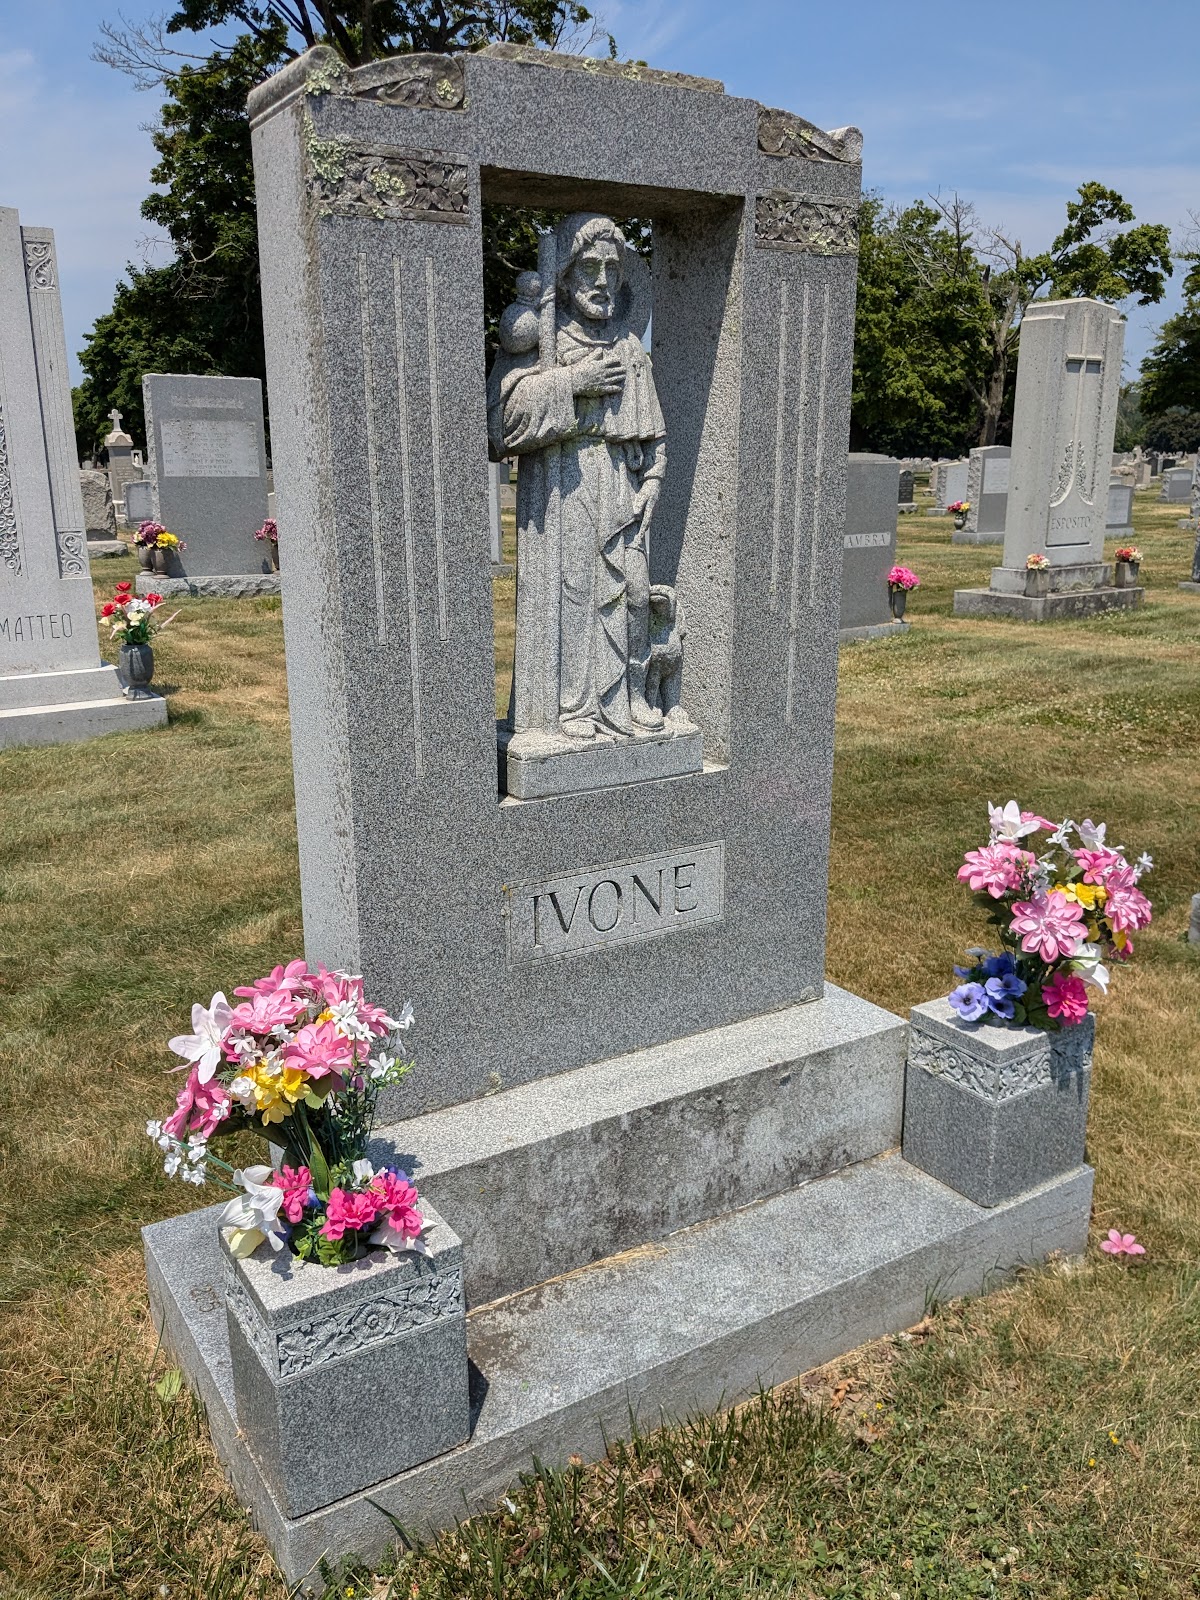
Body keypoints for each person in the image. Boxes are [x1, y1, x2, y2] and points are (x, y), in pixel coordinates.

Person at [487, 213, 666, 741]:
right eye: (589, 267)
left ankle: (627, 700)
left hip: (622, 487)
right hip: (563, 486)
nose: (602, 281)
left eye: (612, 268)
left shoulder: (631, 348)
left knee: (629, 592)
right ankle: (574, 708)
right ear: (564, 277)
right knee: (573, 592)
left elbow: (652, 431)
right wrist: (571, 382)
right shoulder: (543, 340)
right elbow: (503, 426)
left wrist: (653, 479)